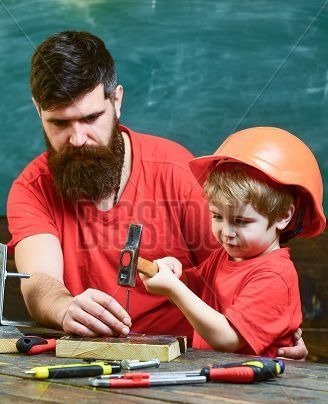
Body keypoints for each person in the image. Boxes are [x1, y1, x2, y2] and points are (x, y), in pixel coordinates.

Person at [7, 31, 306, 358]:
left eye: (91, 118)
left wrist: (272, 331)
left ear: (116, 101)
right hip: (89, 361)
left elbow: (240, 271)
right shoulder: (31, 188)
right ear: (38, 110)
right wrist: (64, 307)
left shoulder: (177, 170)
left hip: (192, 365)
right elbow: (39, 283)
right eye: (60, 123)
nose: (78, 138)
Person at [140, 127, 326, 357]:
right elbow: (196, 287)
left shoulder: (274, 277)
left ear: (282, 216)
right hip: (217, 382)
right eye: (217, 216)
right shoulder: (226, 256)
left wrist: (173, 288)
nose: (226, 232)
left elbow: (227, 339)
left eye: (240, 221)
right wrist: (174, 273)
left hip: (257, 391)